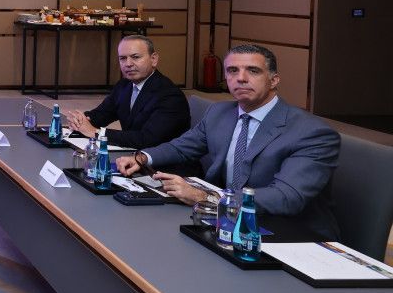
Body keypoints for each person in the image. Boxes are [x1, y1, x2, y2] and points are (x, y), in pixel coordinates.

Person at [117, 44, 339, 241]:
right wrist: (142, 157)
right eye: (233, 70)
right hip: (225, 219)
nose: (241, 78)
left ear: (274, 80)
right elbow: (182, 147)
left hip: (288, 233)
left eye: (253, 71)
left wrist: (208, 197)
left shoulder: (312, 133)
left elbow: (286, 197)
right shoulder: (220, 112)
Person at [63, 35, 190, 150]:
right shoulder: (125, 85)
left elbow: (147, 139)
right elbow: (102, 114)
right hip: (132, 153)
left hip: (162, 162)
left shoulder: (170, 95)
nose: (128, 64)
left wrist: (96, 133)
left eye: (135, 57)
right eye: (123, 58)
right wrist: (81, 120)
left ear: (153, 59)